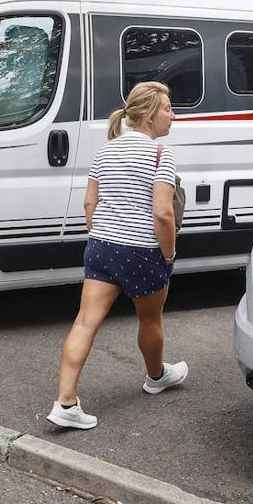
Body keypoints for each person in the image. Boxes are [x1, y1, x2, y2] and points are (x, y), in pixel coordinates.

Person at [46, 81, 189, 430]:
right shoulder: (160, 155)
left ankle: (66, 403)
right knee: (150, 320)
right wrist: (168, 254)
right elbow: (163, 213)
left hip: (101, 247)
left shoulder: (105, 151)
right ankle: (156, 376)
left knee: (85, 321)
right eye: (168, 109)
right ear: (151, 114)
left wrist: (101, 234)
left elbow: (90, 203)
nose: (173, 116)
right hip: (142, 251)